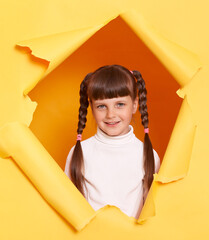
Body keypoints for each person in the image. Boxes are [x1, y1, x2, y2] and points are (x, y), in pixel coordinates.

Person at [64, 64, 160, 219]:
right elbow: (67, 205)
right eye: (102, 106)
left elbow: (152, 215)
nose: (111, 114)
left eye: (120, 104)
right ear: (92, 108)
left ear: (134, 104)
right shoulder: (81, 152)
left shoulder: (147, 155)